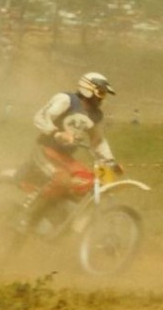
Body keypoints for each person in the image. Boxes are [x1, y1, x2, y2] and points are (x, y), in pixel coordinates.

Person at [16, 71, 121, 232]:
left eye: (104, 94)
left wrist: (111, 162)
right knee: (62, 179)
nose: (102, 98)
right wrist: (56, 133)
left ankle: (61, 218)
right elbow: (40, 117)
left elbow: (98, 141)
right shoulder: (66, 100)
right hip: (45, 150)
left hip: (64, 157)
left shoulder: (95, 115)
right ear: (88, 89)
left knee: (88, 182)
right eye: (100, 93)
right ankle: (25, 217)